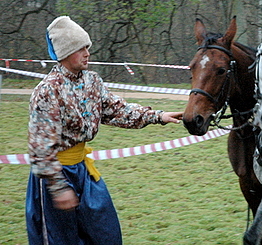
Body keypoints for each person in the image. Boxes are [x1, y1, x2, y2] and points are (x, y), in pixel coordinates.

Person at [26, 16, 183, 245]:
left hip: (84, 173)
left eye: (87, 47)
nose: (87, 53)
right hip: (55, 176)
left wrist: (157, 116)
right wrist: (59, 188)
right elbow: (40, 151)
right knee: (61, 240)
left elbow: (118, 111)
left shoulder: (92, 81)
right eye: (80, 49)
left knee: (105, 234)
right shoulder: (48, 91)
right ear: (65, 53)